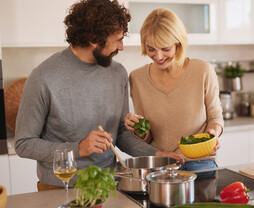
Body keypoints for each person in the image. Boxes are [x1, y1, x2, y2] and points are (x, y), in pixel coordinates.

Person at [14, 0, 182, 191]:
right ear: (94, 39)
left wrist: (158, 154)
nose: (121, 47)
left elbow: (122, 134)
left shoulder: (117, 73)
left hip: (108, 185)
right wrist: (78, 148)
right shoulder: (43, 77)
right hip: (60, 190)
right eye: (117, 39)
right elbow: (23, 143)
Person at [124, 8, 224, 172]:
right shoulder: (137, 78)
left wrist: (212, 134)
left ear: (178, 43)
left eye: (165, 49)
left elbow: (215, 117)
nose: (158, 56)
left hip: (198, 162)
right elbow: (146, 138)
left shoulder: (203, 71)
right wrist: (138, 129)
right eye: (151, 49)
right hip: (159, 165)